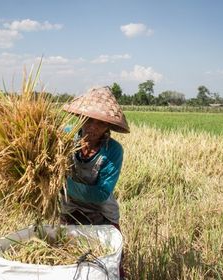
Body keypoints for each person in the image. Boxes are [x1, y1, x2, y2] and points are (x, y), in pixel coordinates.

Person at [60, 86, 130, 277]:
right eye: (88, 120)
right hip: (70, 209)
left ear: (108, 126)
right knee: (67, 261)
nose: (92, 127)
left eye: (100, 123)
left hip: (101, 213)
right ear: (80, 118)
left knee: (109, 265)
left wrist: (63, 185)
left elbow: (101, 193)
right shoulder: (64, 137)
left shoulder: (113, 150)